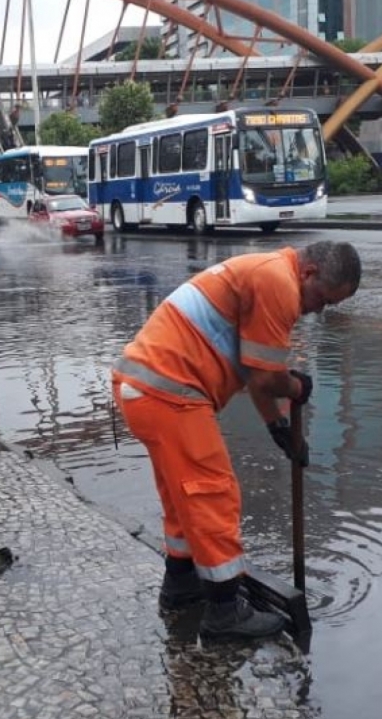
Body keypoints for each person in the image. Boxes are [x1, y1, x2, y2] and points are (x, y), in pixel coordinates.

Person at [112, 241, 361, 641]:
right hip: (171, 391)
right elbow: (266, 378)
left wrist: (278, 426)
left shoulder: (268, 271)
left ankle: (180, 586)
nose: (319, 310)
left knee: (183, 500)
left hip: (144, 387)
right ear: (309, 272)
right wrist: (295, 386)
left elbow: (253, 369)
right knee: (214, 494)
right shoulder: (278, 283)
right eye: (322, 299)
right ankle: (225, 613)